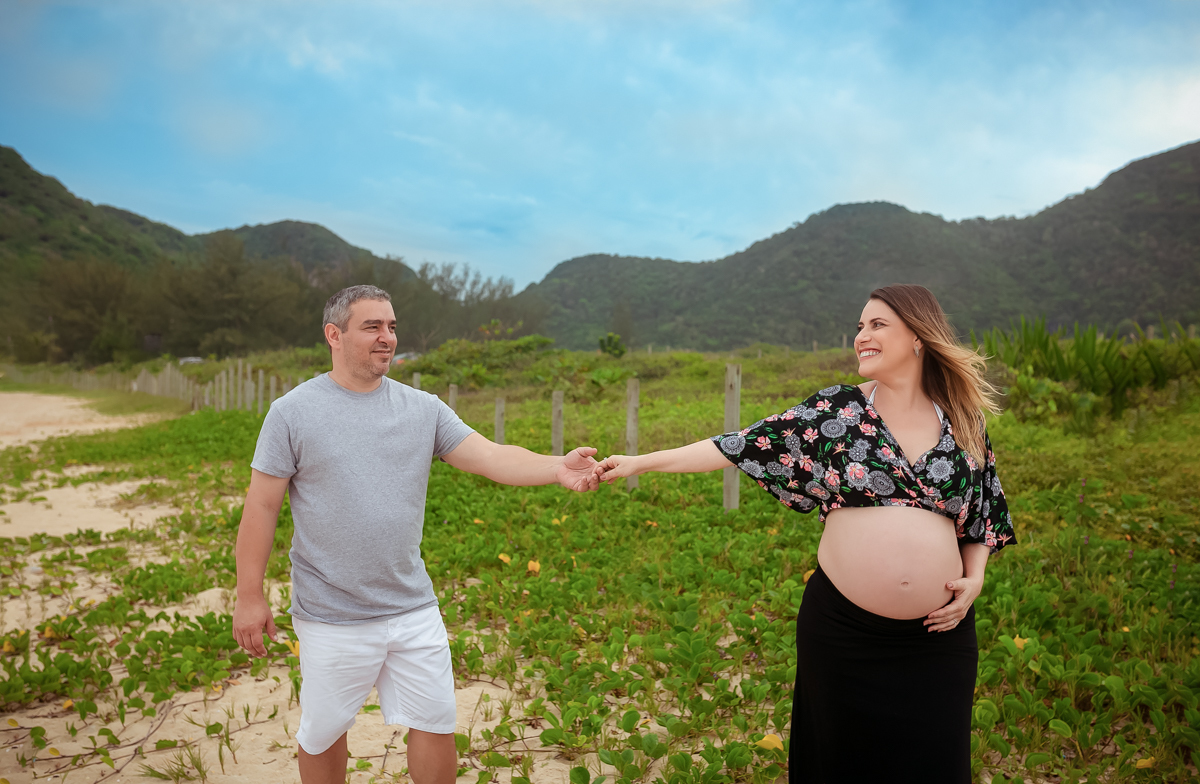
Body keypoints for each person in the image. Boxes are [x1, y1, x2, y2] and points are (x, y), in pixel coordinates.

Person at [596, 284, 1015, 783]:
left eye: (877, 325)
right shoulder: (837, 412)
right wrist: (640, 462)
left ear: (918, 336)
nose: (862, 336)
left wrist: (976, 579)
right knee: (839, 762)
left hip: (937, 637)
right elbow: (741, 445)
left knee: (936, 763)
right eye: (860, 326)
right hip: (844, 632)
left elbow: (983, 512)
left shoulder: (963, 420)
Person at [232, 285, 601, 784]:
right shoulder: (293, 412)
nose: (387, 338)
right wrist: (249, 596)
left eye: (392, 326)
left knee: (434, 724)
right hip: (332, 613)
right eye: (372, 327)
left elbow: (489, 455)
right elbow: (262, 505)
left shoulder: (422, 408)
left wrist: (557, 466)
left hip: (412, 606)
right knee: (324, 733)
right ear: (333, 334)